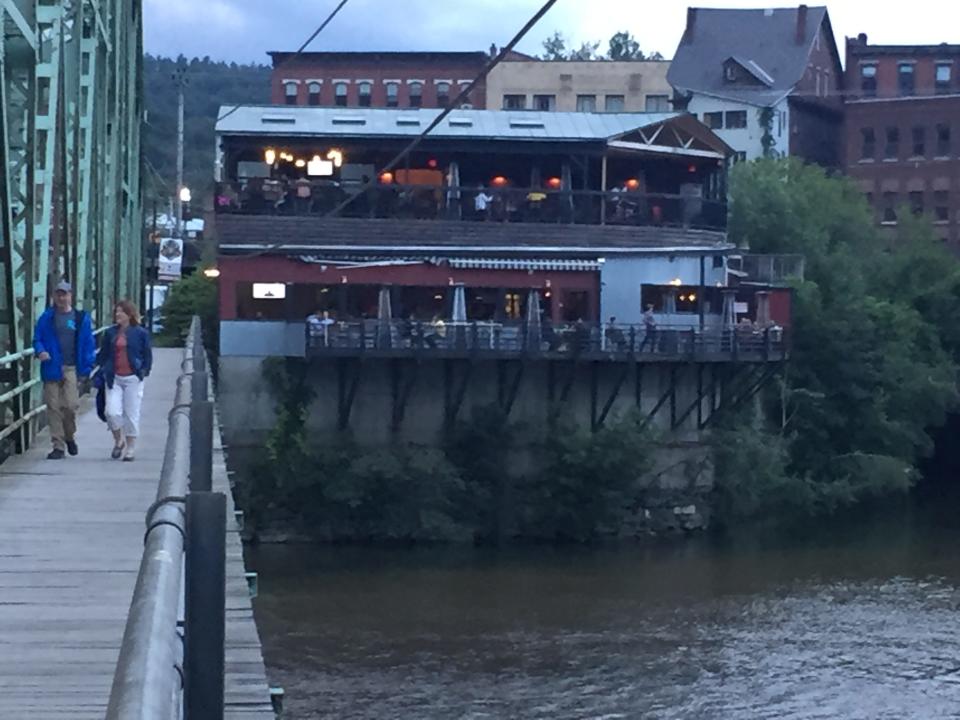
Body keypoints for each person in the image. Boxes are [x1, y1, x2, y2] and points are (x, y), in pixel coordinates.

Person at [33, 280, 96, 459]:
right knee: (53, 407)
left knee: (70, 406)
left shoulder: (79, 318)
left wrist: (87, 366)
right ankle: (58, 445)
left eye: (64, 294)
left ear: (70, 296)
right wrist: (41, 351)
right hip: (51, 365)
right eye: (58, 294)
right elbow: (37, 338)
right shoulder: (47, 317)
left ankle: (69, 435)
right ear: (54, 296)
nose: (61, 298)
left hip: (71, 367)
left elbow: (88, 343)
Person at [97, 300, 152, 461]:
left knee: (131, 414)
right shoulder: (110, 333)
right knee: (111, 412)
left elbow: (147, 354)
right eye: (116, 312)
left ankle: (131, 449)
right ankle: (118, 440)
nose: (117, 315)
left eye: (121, 312)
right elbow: (104, 354)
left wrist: (143, 371)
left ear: (129, 314)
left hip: (133, 378)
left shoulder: (140, 333)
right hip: (114, 378)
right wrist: (98, 368)